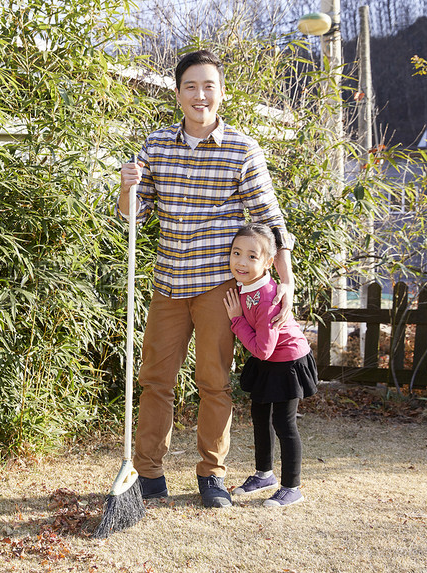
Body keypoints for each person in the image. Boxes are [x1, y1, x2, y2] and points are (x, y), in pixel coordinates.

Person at [117, 50, 297, 508]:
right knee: (156, 382)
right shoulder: (156, 146)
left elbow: (268, 217)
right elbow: (133, 215)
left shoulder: (242, 148)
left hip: (220, 289)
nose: (200, 95)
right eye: (191, 86)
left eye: (208, 86)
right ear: (178, 94)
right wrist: (127, 185)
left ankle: (212, 475)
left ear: (221, 93)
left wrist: (287, 282)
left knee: (214, 383)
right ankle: (149, 475)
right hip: (168, 284)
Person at [222, 223, 318, 507]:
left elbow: (263, 349)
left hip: (287, 361)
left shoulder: (266, 297)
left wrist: (237, 320)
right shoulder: (246, 286)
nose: (241, 262)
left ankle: (292, 487)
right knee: (260, 417)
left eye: (252, 257)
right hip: (268, 361)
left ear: (268, 263)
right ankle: (264, 474)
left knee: (284, 424)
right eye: (236, 253)